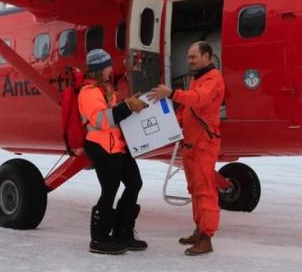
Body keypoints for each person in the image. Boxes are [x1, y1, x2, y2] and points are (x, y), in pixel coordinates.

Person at [148, 41, 225, 256]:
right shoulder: (197, 78)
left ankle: (206, 237)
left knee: (205, 190)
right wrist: (171, 123)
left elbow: (198, 100)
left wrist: (171, 93)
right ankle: (199, 230)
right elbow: (190, 110)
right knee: (194, 190)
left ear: (207, 56)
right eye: (189, 57)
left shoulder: (213, 79)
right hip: (191, 144)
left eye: (194, 57)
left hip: (204, 144)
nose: (190, 61)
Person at [78, 48, 149, 254]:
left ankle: (123, 231)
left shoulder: (105, 90)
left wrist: (131, 104)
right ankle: (99, 238)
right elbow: (102, 120)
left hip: (117, 146)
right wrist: (127, 106)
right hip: (101, 148)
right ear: (100, 69)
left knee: (135, 183)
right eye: (108, 65)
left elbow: (115, 116)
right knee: (109, 190)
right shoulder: (88, 93)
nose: (111, 69)